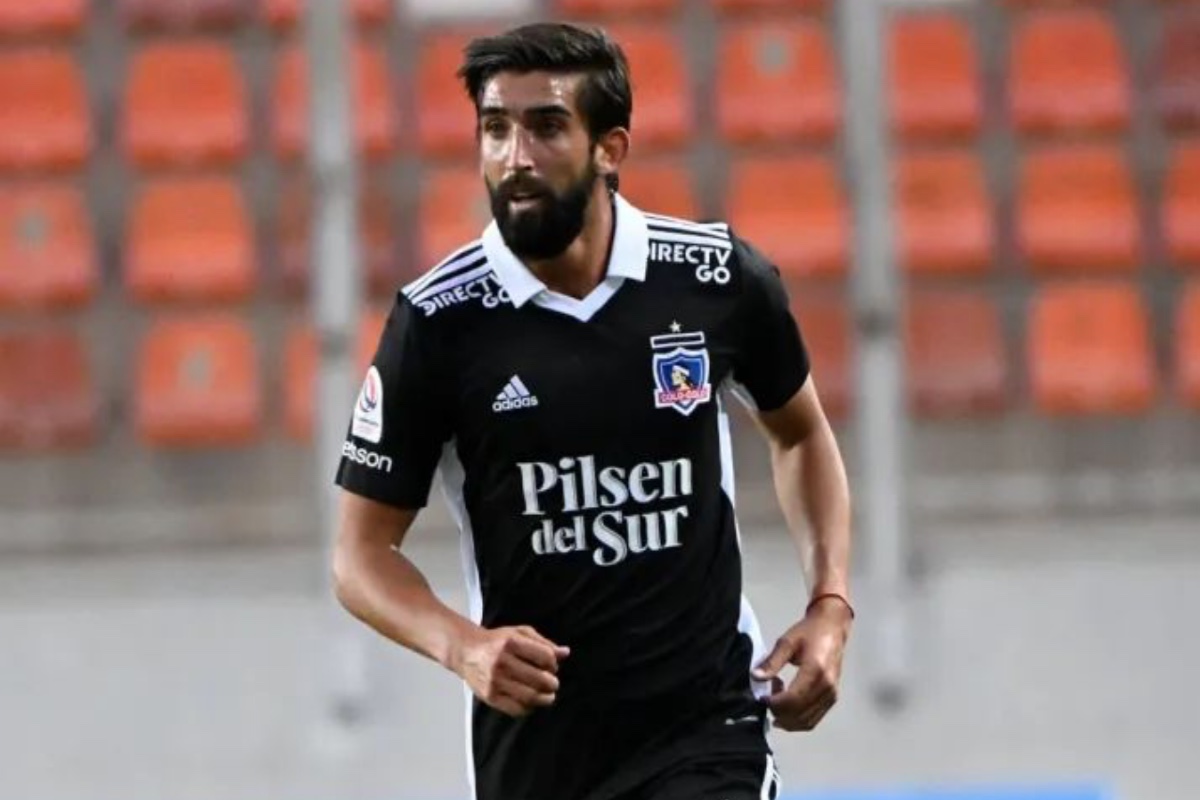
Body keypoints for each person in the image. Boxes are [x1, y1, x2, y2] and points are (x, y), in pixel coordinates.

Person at [332, 21, 854, 800]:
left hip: (705, 726)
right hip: (540, 748)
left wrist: (829, 604)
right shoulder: (438, 322)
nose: (517, 157)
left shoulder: (714, 280)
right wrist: (465, 649)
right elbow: (359, 556)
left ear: (611, 148)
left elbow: (801, 432)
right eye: (496, 129)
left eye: (545, 127)